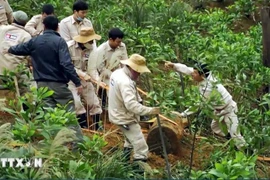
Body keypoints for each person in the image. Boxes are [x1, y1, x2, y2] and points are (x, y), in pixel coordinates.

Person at [7, 15, 83, 140]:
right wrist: (77, 82)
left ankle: (53, 145)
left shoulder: (35, 41)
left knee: (50, 116)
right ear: (57, 27)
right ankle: (77, 144)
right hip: (58, 85)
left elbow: (18, 49)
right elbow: (66, 64)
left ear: (44, 26)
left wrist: (8, 48)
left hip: (42, 86)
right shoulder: (59, 42)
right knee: (69, 115)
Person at [164, 61, 246, 149]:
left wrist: (183, 114)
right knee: (215, 127)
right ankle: (232, 142)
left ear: (202, 76)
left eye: (195, 73)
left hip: (229, 110)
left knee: (236, 136)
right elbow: (187, 69)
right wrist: (173, 65)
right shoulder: (204, 75)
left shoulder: (209, 87)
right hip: (219, 111)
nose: (192, 74)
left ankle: (245, 151)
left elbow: (200, 104)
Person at [109, 54, 160, 165]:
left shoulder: (117, 73)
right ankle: (137, 173)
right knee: (141, 148)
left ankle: (124, 164)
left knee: (130, 140)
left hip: (117, 113)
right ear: (131, 68)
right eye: (138, 71)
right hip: (124, 118)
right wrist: (150, 110)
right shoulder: (125, 82)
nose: (139, 74)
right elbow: (131, 105)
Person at [67, 27, 103, 130]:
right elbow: (67, 65)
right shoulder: (69, 47)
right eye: (90, 40)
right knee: (77, 103)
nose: (92, 42)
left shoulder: (92, 48)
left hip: (85, 78)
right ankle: (83, 127)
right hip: (71, 79)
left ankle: (96, 126)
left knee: (94, 102)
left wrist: (98, 80)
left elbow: (92, 67)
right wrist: (81, 74)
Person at [88, 27, 128, 109]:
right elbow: (101, 68)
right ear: (111, 39)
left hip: (119, 72)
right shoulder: (101, 50)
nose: (119, 44)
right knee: (113, 93)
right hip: (106, 75)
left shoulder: (122, 46)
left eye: (121, 41)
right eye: (118, 42)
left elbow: (125, 62)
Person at [0, 10, 31, 95]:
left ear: (13, 19)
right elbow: (29, 57)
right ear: (25, 23)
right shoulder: (26, 36)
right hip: (16, 73)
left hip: (1, 71)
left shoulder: (2, 29)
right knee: (28, 89)